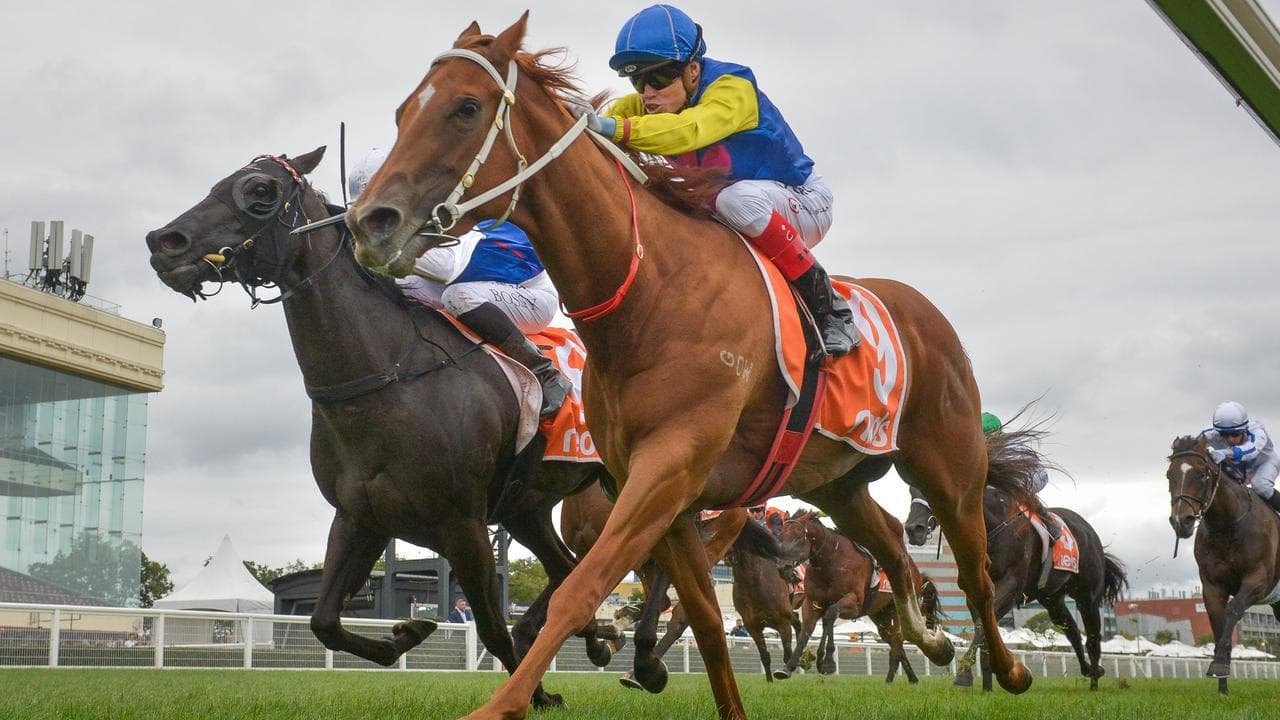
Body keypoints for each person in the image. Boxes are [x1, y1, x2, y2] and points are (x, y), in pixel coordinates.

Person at [583, 4, 859, 357]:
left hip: (803, 200)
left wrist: (614, 128)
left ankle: (830, 308)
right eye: (638, 81)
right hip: (738, 207)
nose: (648, 92)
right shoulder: (646, 103)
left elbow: (689, 130)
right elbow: (601, 123)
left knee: (733, 199)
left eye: (660, 78)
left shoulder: (733, 88)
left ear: (693, 70)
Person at [348, 148, 572, 418]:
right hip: (477, 285)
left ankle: (545, 373)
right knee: (402, 286)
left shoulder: (449, 211)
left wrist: (375, 245)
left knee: (458, 296)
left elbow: (445, 269)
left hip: (531, 297)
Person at [1203, 401, 1280, 512]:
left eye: (1235, 434)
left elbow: (1251, 451)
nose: (1230, 439)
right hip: (1238, 468)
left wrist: (1225, 452)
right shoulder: (1210, 434)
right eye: (1224, 434)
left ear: (1244, 429)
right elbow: (1193, 446)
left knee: (1260, 485)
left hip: (1265, 463)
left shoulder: (1257, 432)